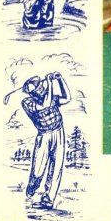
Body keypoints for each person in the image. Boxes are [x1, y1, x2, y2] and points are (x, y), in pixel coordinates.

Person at [19, 72, 71, 209]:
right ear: (30, 93)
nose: (38, 90)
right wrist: (49, 81)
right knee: (38, 170)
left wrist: (60, 80)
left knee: (56, 167)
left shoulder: (49, 96)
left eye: (38, 86)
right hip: (44, 136)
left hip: (58, 132)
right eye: (34, 89)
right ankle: (32, 188)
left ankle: (48, 198)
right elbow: (45, 106)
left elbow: (67, 98)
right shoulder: (27, 102)